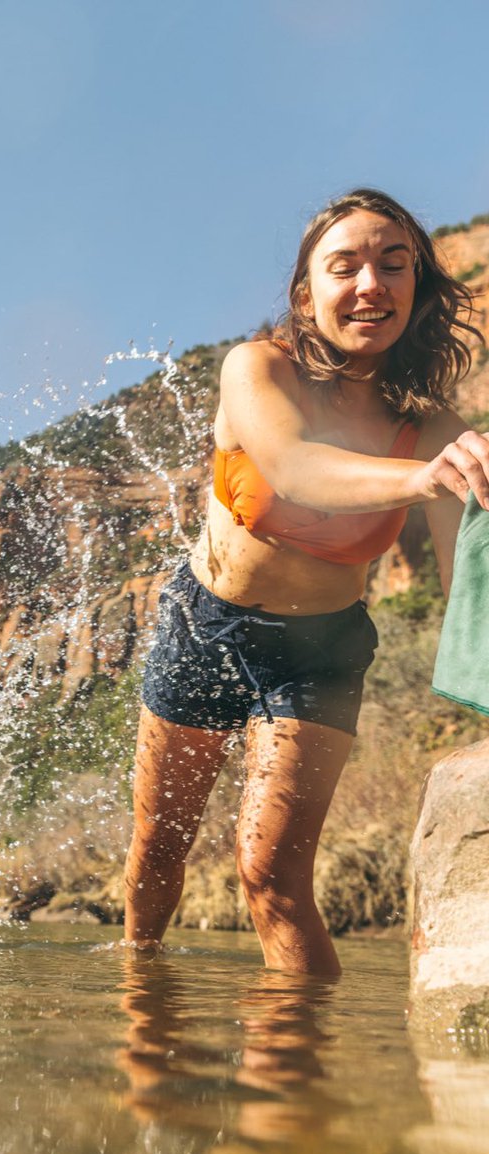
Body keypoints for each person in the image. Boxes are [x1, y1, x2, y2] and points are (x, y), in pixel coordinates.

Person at [125, 188, 489, 974]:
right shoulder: (256, 368)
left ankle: (302, 1054)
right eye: (345, 266)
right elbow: (293, 469)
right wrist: (423, 477)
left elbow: (471, 581)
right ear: (306, 295)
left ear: (419, 290)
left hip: (321, 651)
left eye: (394, 265)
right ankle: (140, 1010)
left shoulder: (430, 428)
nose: (371, 284)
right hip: (205, 626)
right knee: (158, 850)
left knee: (273, 878)